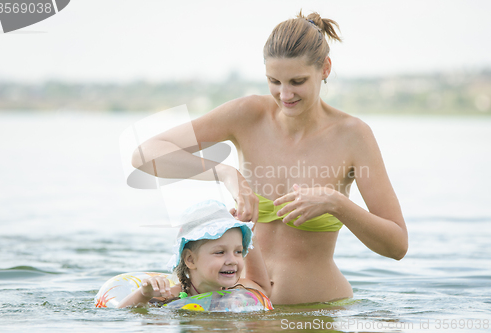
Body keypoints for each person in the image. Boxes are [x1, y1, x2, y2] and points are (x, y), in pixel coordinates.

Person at [131, 11, 408, 304]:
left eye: (297, 81)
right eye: (273, 81)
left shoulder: (353, 136)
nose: (284, 93)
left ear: (325, 68)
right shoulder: (248, 115)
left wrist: (336, 203)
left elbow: (397, 246)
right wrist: (225, 173)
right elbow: (144, 155)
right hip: (245, 312)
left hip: (316, 314)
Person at [117, 200, 271, 308]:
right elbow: (121, 313)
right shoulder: (172, 295)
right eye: (220, 252)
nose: (232, 260)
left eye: (238, 251)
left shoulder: (241, 290)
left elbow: (264, 290)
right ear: (190, 259)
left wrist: (251, 235)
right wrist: (144, 294)